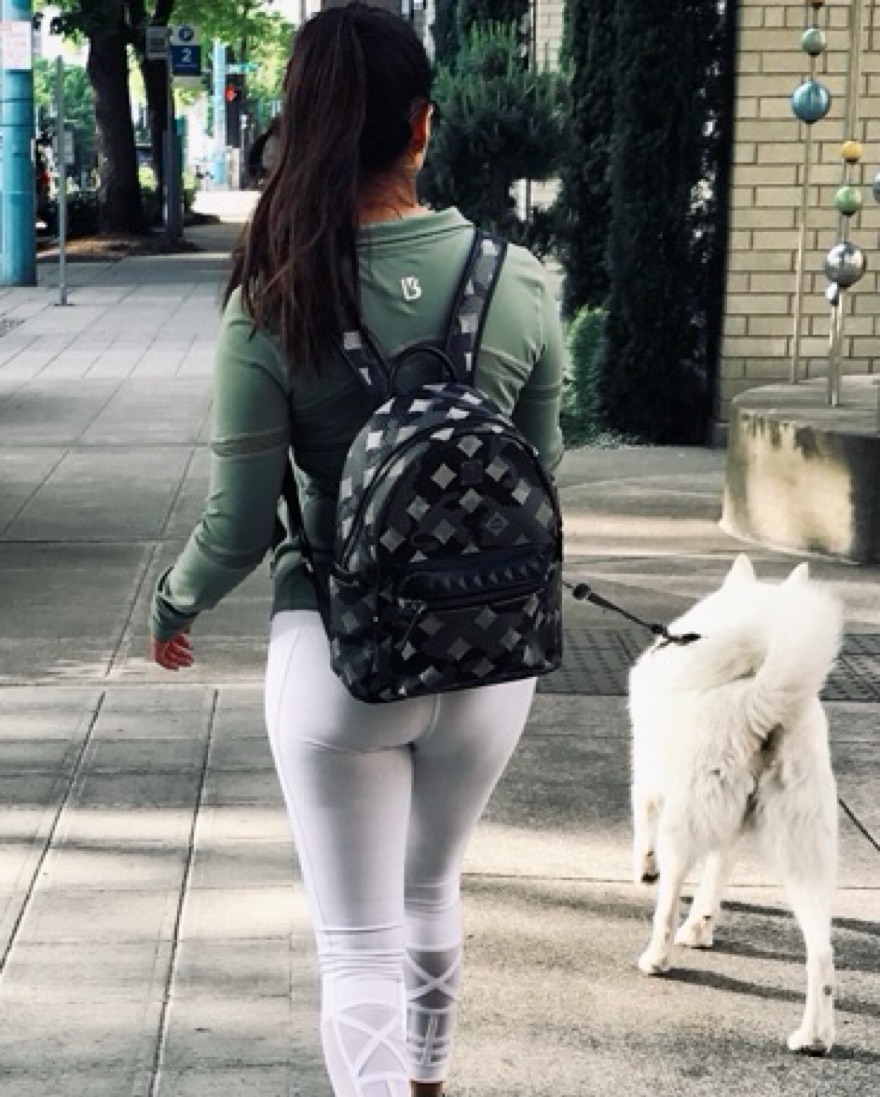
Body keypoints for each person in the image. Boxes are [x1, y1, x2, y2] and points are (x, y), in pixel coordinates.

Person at [149, 5, 564, 1095]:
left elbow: (238, 527)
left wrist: (174, 604)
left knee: (357, 947)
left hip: (338, 657)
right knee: (431, 892)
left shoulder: (275, 298)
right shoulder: (519, 279)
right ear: (422, 125)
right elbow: (543, 467)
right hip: (488, 654)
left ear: (302, 127)